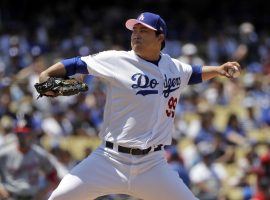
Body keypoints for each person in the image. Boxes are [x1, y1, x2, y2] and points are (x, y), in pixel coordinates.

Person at [38, 12, 241, 200]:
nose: (136, 34)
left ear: (160, 37)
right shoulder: (116, 60)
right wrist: (46, 76)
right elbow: (75, 64)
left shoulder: (173, 66)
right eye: (134, 30)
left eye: (143, 31)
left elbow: (193, 73)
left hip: (152, 165)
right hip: (109, 159)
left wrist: (218, 69)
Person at [0, 125, 61, 200]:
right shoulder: (5, 153)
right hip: (11, 196)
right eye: (19, 134)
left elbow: (53, 176)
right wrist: (1, 189)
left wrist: (43, 192)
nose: (22, 137)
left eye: (25, 134)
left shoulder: (39, 154)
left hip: (33, 196)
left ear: (31, 134)